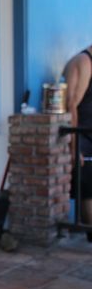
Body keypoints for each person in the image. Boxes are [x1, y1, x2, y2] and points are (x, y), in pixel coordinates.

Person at [63, 46, 92, 240]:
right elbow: (70, 105)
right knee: (88, 190)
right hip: (81, 138)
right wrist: (74, 148)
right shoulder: (83, 62)